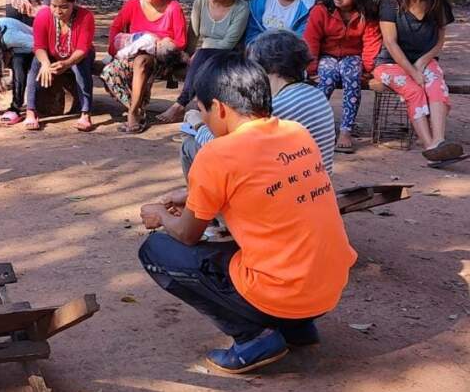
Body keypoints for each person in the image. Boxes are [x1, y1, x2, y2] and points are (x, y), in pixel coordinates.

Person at [139, 52, 356, 374]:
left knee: (156, 250)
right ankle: (298, 327)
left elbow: (187, 233)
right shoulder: (296, 133)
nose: (202, 119)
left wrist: (160, 215)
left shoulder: (216, 153)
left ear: (221, 108)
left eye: (201, 110)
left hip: (284, 290)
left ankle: (253, 337)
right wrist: (189, 195)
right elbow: (262, 182)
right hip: (328, 286)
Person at [181, 30, 335, 179]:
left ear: (266, 67)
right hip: (315, 182)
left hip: (282, 187)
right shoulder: (315, 94)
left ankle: (201, 200)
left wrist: (199, 124)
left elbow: (226, 150)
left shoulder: (276, 106)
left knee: (190, 145)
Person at [373, 0, 462, 162]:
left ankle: (439, 140)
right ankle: (430, 146)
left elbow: (440, 41)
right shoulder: (390, 3)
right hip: (389, 63)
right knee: (414, 91)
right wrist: (413, 71)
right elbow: (390, 42)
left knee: (436, 85)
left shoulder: (438, 2)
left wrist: (422, 62)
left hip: (424, 61)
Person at [157, 0, 250, 123]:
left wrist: (200, 52)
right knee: (169, 51)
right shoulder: (201, 0)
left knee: (202, 55)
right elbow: (193, 32)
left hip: (229, 57)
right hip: (203, 56)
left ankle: (180, 104)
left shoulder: (241, 9)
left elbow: (228, 43)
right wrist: (188, 54)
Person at [100, 0, 186, 133]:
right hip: (131, 52)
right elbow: (116, 28)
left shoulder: (173, 8)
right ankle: (138, 109)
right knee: (108, 72)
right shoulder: (132, 4)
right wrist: (114, 49)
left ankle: (132, 114)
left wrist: (161, 42)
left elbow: (181, 41)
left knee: (141, 61)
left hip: (161, 58)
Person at [303, 0, 382, 153]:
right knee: (326, 78)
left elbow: (372, 42)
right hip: (326, 56)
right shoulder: (321, 9)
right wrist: (312, 68)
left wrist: (367, 68)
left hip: (352, 56)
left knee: (352, 76)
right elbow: (311, 40)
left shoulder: (367, 15)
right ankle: (315, 128)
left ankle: (346, 130)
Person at [24, 0, 95, 131]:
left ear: (74, 2)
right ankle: (31, 111)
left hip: (78, 55)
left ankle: (85, 113)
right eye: (54, 6)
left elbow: (82, 49)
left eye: (64, 7)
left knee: (80, 66)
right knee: (35, 65)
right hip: (51, 55)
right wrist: (45, 63)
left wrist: (67, 63)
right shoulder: (43, 16)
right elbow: (39, 46)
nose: (58, 12)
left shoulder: (86, 17)